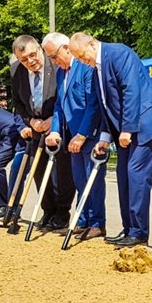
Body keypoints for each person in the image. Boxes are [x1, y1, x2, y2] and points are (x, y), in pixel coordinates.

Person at [69, 32, 152, 248]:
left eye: (82, 56)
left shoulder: (118, 53)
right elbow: (106, 104)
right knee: (123, 176)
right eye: (78, 58)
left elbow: (131, 91)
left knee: (136, 175)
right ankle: (129, 230)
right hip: (124, 129)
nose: (82, 61)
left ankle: (139, 233)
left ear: (91, 43)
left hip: (145, 123)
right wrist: (106, 137)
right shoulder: (96, 68)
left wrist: (127, 129)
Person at [43, 33, 106, 241]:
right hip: (72, 136)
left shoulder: (86, 67)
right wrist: (54, 130)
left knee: (92, 179)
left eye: (53, 56)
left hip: (90, 134)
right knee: (79, 180)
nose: (52, 62)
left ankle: (97, 223)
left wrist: (82, 134)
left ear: (66, 48)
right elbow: (60, 105)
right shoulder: (62, 74)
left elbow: (93, 104)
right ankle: (82, 220)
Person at [11, 35, 73, 230]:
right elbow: (18, 102)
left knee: (63, 172)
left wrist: (52, 121)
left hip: (58, 125)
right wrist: (30, 121)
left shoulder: (56, 65)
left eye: (33, 55)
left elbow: (64, 97)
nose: (30, 61)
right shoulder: (16, 72)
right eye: (24, 59)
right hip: (36, 127)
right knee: (38, 171)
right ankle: (48, 210)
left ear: (39, 49)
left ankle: (62, 213)